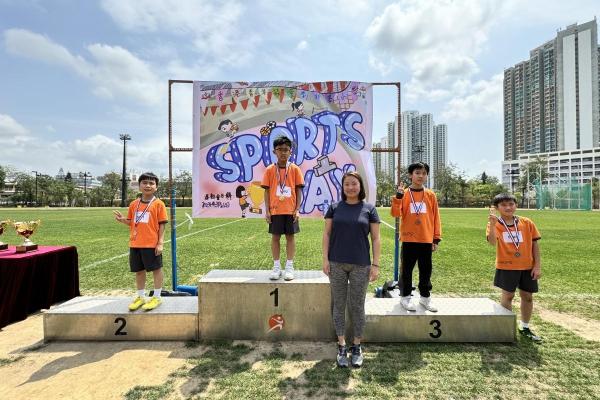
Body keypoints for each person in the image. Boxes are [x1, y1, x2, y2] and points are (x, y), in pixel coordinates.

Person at [323, 171, 381, 368]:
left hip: (361, 264)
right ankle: (341, 345)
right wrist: (325, 259)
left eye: (354, 183)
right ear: (343, 187)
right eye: (347, 184)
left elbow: (376, 239)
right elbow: (327, 234)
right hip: (336, 263)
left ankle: (356, 345)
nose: (350, 187)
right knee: (338, 305)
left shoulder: (369, 209)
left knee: (357, 306)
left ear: (360, 186)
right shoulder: (334, 208)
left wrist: (375, 264)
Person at [487, 193, 542, 343]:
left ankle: (524, 327)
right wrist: (492, 224)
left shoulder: (526, 222)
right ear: (497, 208)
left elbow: (535, 245)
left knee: (528, 297)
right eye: (503, 205)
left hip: (527, 266)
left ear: (516, 205)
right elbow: (492, 242)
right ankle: (506, 329)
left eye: (511, 204)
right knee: (508, 296)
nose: (508, 207)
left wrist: (537, 266)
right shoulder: (496, 223)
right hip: (507, 266)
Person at [390, 162, 441, 312]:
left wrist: (436, 238)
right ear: (410, 175)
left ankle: (425, 298)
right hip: (409, 239)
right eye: (417, 173)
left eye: (424, 173)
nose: (421, 176)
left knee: (426, 270)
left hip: (426, 239)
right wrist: (398, 197)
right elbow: (395, 213)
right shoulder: (405, 194)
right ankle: (405, 297)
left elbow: (436, 217)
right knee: (406, 270)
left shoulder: (430, 195)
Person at [113, 172, 168, 311]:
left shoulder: (159, 204)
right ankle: (141, 296)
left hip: (151, 244)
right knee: (138, 271)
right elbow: (133, 222)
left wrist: (160, 243)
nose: (148, 185)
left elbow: (162, 224)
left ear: (156, 187)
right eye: (144, 183)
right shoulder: (134, 204)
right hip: (135, 243)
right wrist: (123, 220)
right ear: (139, 186)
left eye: (151, 183)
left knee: (156, 269)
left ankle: (157, 296)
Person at [261, 135, 305, 280]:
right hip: (275, 210)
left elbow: (298, 190)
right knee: (275, 238)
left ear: (290, 152)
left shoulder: (295, 169)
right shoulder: (269, 170)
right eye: (280, 149)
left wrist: (297, 209)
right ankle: (276, 267)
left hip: (291, 211)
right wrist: (267, 211)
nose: (283, 152)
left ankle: (289, 267)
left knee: (290, 238)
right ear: (274, 151)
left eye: (286, 149)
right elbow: (267, 191)